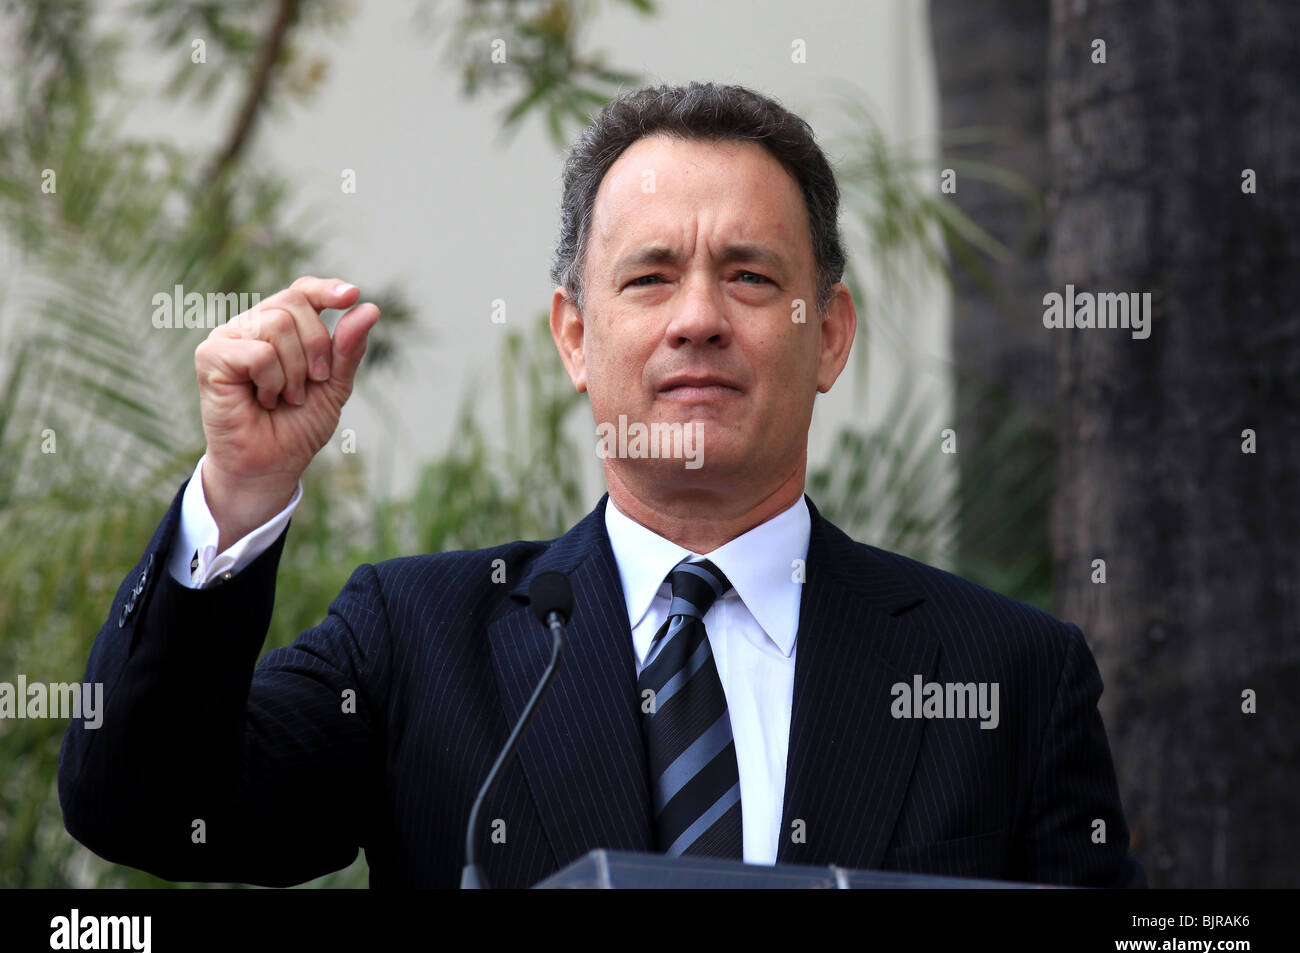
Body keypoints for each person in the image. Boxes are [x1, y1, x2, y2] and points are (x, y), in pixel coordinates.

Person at [59, 81, 1144, 888]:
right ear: (576, 337)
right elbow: (148, 806)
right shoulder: (418, 641)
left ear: (830, 335)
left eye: (752, 276)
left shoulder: (1009, 674)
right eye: (651, 276)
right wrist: (238, 495)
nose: (699, 318)